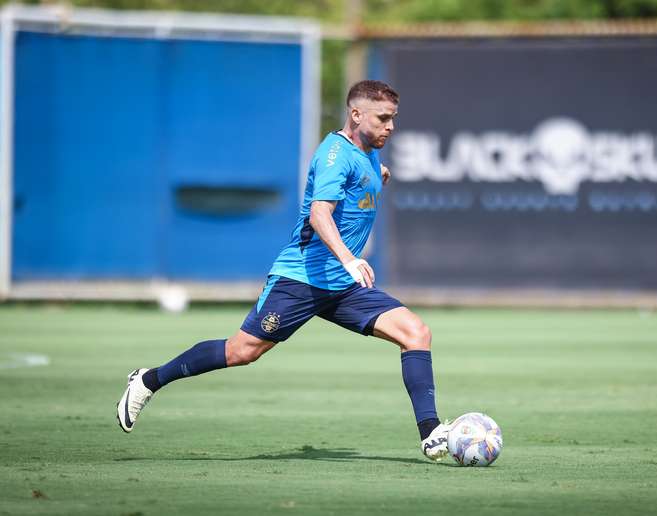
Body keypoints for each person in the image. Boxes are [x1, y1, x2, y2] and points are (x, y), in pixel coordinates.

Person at [116, 80, 450, 461]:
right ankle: (148, 380)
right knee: (241, 351)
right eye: (384, 118)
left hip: (343, 285)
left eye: (394, 119)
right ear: (356, 115)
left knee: (416, 332)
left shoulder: (369, 152)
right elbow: (318, 212)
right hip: (301, 279)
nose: (391, 127)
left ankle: (431, 433)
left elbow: (360, 179)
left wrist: (378, 175)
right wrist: (348, 257)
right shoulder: (334, 155)